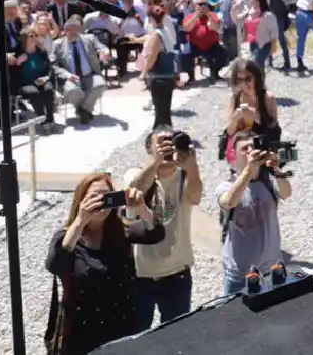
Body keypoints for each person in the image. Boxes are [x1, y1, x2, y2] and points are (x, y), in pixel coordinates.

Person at [45, 172, 165, 355]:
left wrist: (142, 209)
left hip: (123, 330)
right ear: (80, 201)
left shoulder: (120, 233)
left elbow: (156, 233)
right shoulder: (68, 237)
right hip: (82, 337)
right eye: (93, 197)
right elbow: (55, 263)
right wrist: (80, 220)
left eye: (106, 197)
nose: (100, 203)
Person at [125, 127, 202, 328]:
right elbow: (135, 190)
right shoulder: (136, 173)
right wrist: (156, 162)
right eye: (161, 143)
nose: (168, 147)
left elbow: (195, 197)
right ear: (149, 149)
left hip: (177, 274)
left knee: (176, 337)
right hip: (141, 275)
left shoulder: (184, 176)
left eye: (172, 141)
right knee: (137, 337)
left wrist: (192, 166)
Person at [216, 130, 291, 295]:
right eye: (244, 149)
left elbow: (286, 193)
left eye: (254, 146)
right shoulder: (227, 185)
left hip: (271, 270)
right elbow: (228, 202)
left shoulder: (268, 181)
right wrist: (249, 171)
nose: (251, 150)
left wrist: (276, 168)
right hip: (240, 275)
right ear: (234, 155)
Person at [51, 17, 108, 124]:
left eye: (75, 29)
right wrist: (67, 75)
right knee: (72, 91)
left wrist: (104, 51)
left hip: (90, 74)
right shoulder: (57, 44)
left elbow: (101, 47)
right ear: (65, 30)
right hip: (70, 77)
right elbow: (53, 65)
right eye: (70, 30)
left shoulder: (90, 38)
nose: (73, 33)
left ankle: (82, 110)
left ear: (80, 30)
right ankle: (85, 111)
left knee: (100, 85)